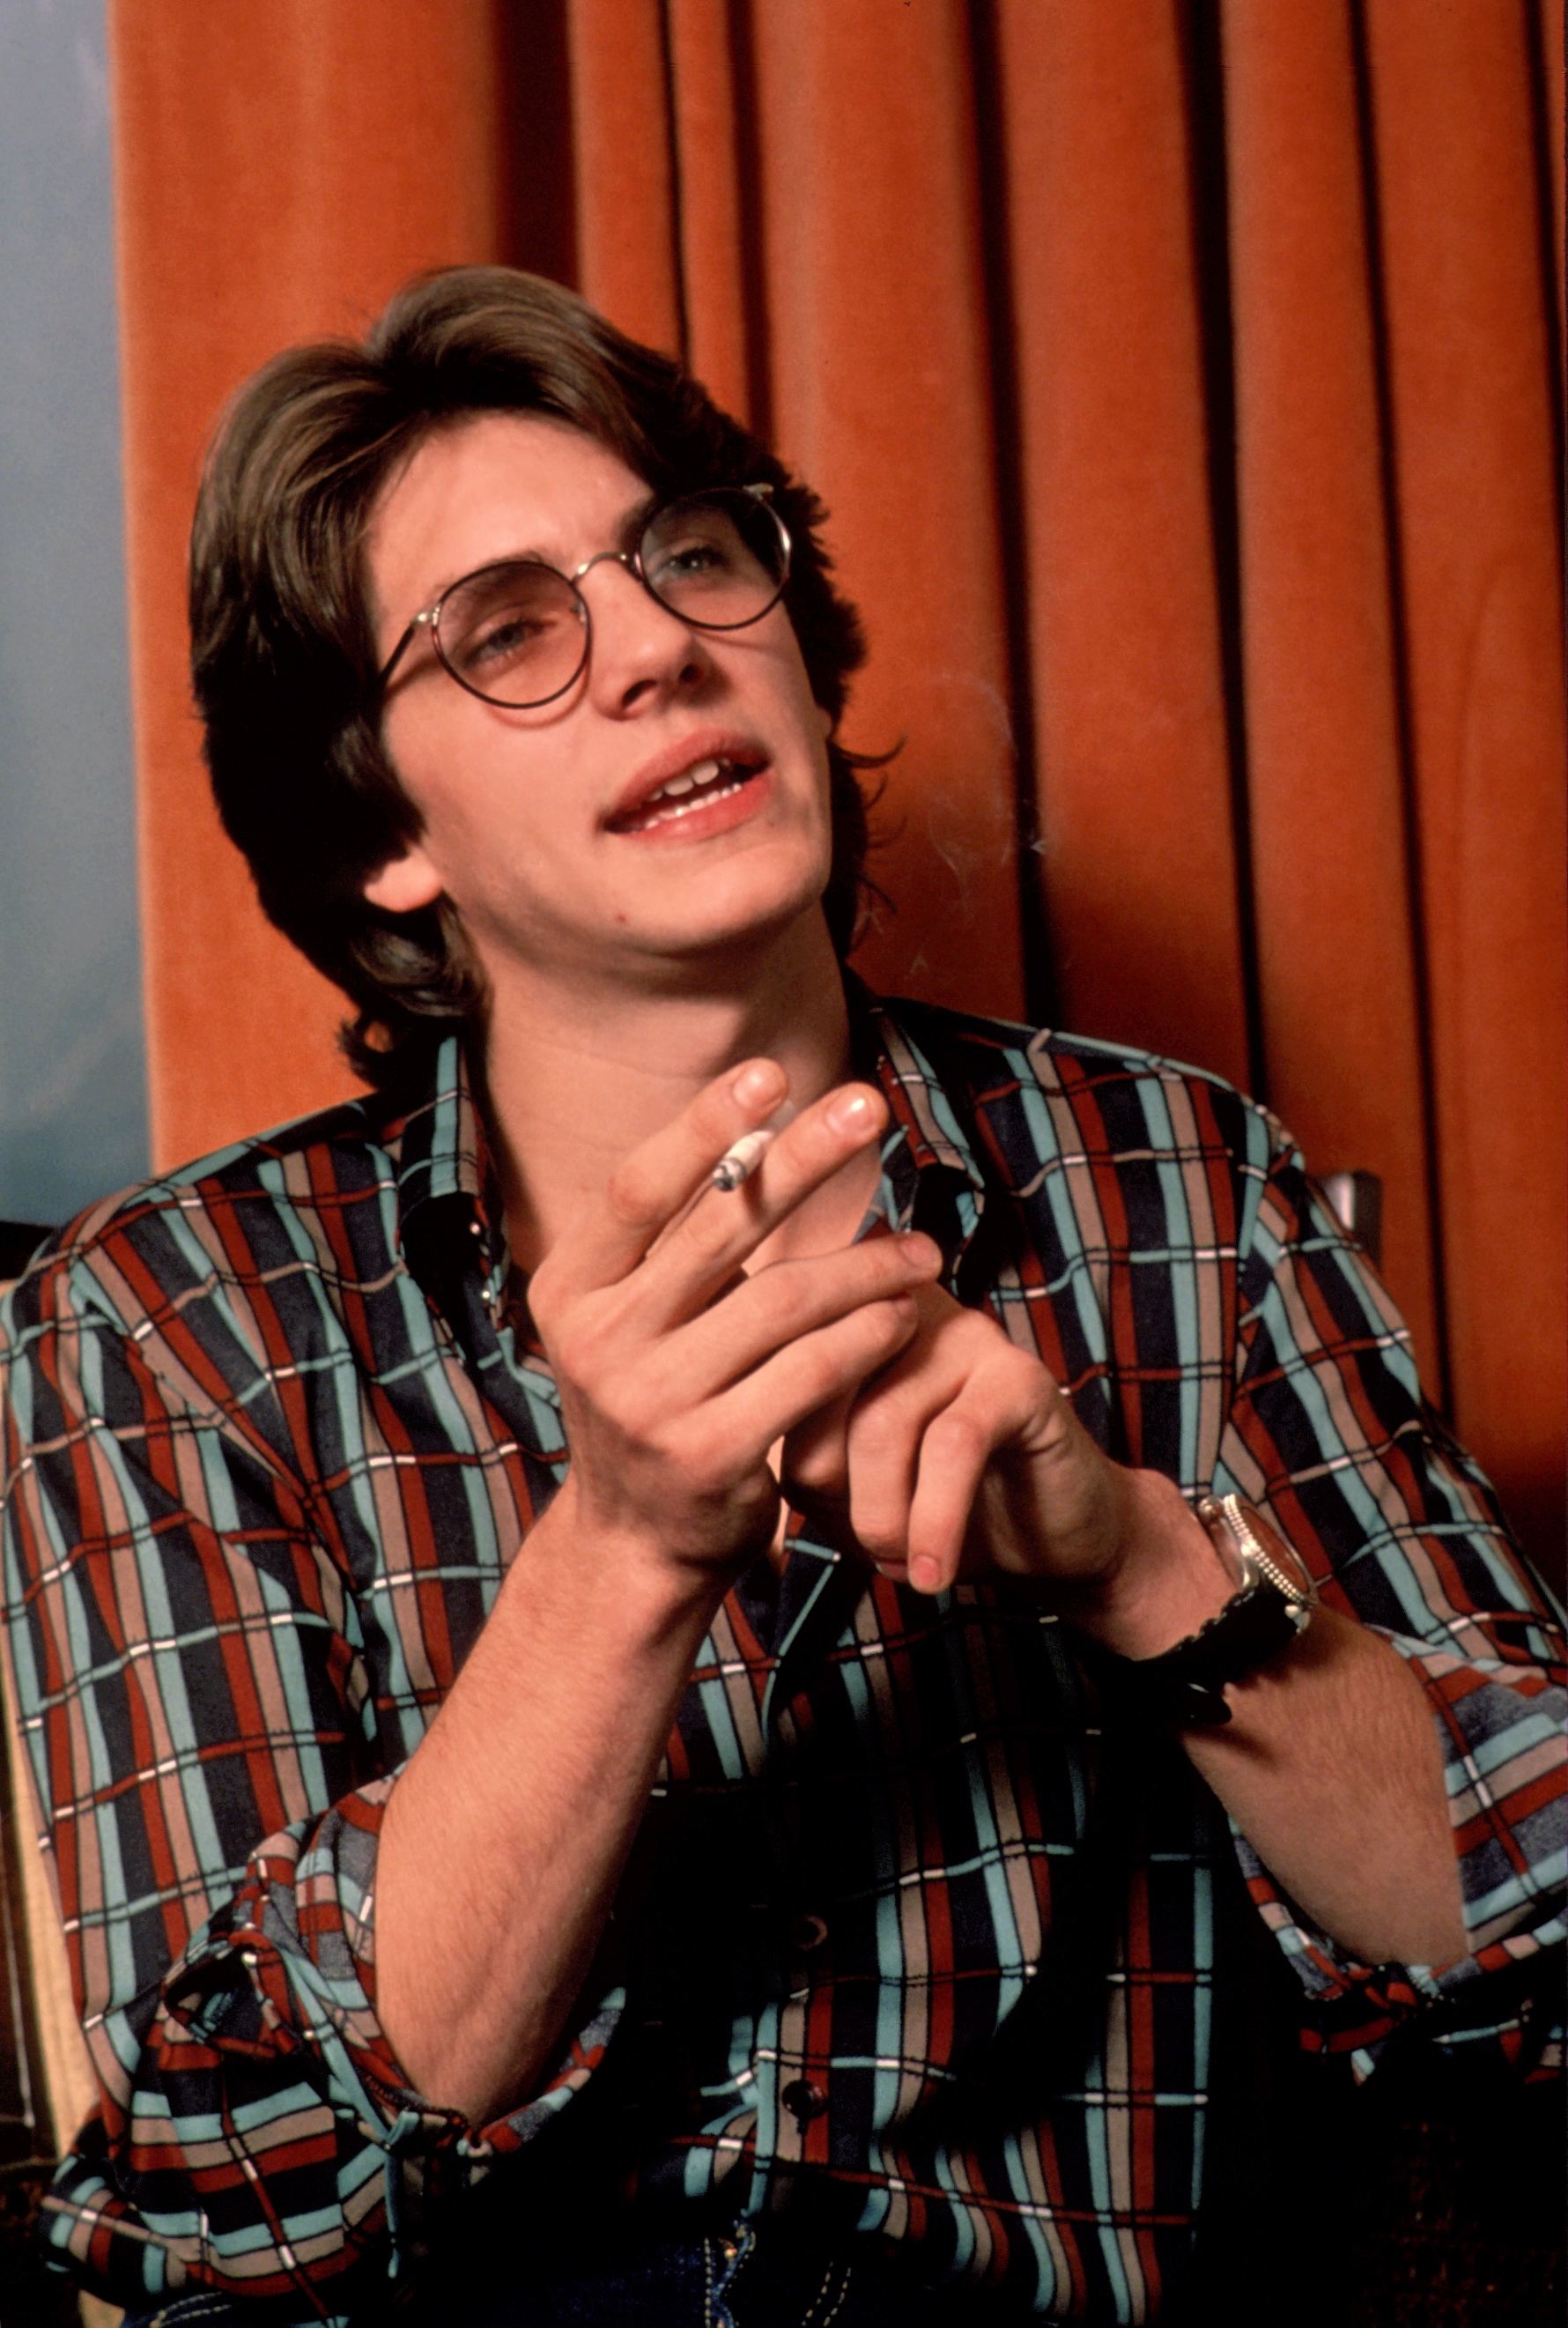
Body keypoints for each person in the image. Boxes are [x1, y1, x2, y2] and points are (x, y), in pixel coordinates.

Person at [0, 266, 1560, 2328]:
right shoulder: (169, 1319)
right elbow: (213, 2204)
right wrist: (620, 1554)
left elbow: (1539, 1954)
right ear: (383, 826)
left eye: (691, 555)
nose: (655, 645)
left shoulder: (1170, 1184)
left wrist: (1141, 1562)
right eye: (508, 632)